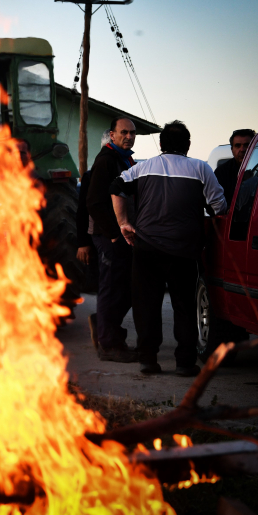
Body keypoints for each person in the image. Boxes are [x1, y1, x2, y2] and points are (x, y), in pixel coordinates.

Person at [110, 120, 226, 376]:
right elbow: (219, 206)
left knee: (146, 304)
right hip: (184, 250)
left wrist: (124, 224)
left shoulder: (143, 167)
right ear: (188, 145)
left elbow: (116, 187)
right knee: (184, 305)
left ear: (161, 144)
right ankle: (185, 363)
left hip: (147, 248)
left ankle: (148, 360)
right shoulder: (201, 168)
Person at [87, 118, 139, 362]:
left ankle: (106, 329)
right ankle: (108, 345)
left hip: (121, 235)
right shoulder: (106, 160)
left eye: (132, 133)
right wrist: (113, 236)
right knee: (111, 289)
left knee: (125, 289)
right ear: (112, 134)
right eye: (124, 132)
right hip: (109, 236)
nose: (129, 136)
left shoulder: (125, 159)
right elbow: (95, 202)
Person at [77, 130, 112, 345]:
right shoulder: (92, 175)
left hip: (119, 238)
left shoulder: (128, 167)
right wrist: (83, 243)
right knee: (106, 287)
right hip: (102, 239)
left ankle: (104, 325)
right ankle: (102, 331)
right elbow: (83, 211)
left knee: (115, 288)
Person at [214, 129, 255, 207]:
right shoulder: (222, 172)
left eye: (247, 145)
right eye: (237, 145)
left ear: (254, 147)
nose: (242, 149)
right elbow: (214, 201)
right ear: (232, 149)